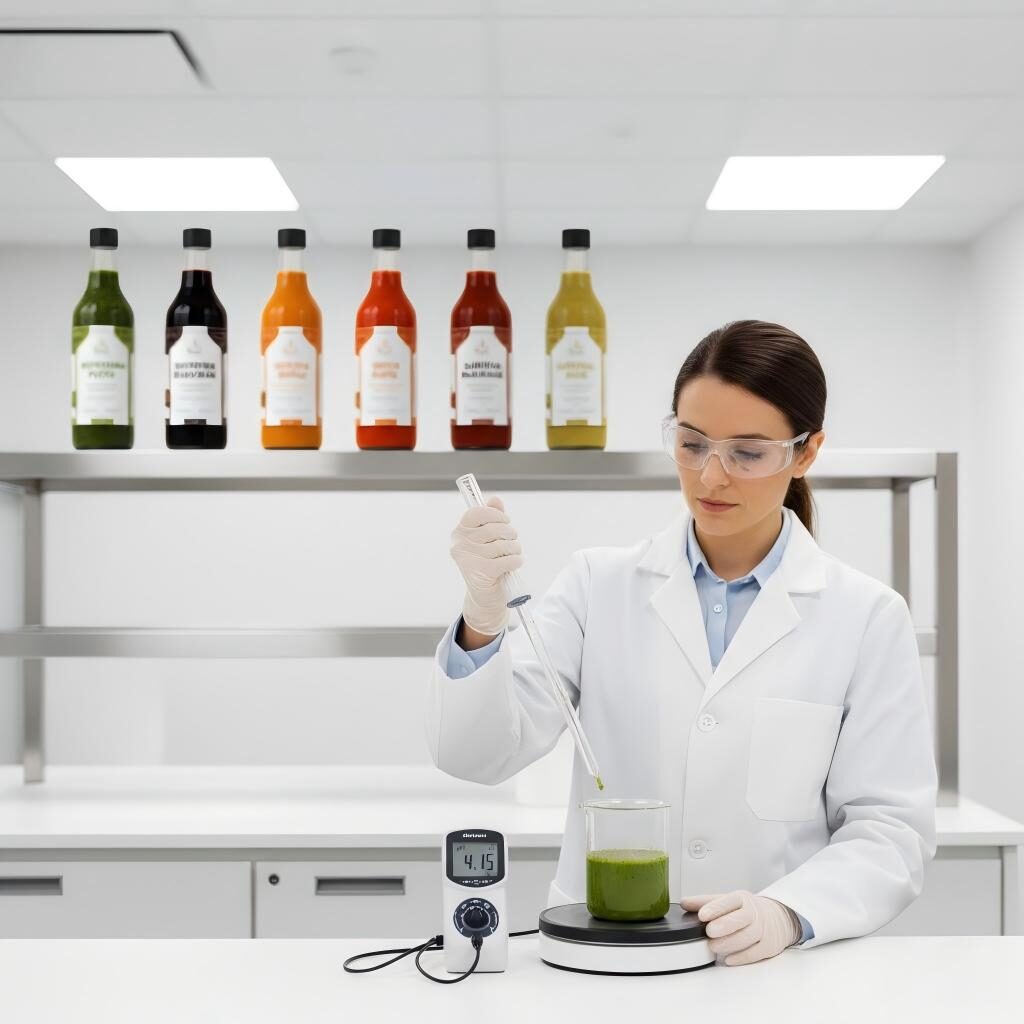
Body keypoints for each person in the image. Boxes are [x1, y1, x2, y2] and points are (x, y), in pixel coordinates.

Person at [426, 320, 937, 966]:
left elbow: (891, 832)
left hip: (766, 975)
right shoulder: (597, 585)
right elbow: (474, 754)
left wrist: (788, 912)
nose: (710, 476)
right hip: (605, 960)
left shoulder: (866, 617)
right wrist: (481, 617)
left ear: (805, 453)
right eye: (692, 444)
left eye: (747, 453)